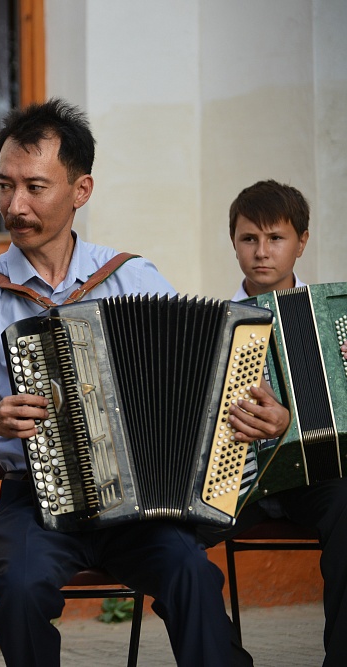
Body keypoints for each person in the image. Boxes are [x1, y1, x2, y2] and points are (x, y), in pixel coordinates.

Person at [0, 98, 289, 667]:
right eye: (4, 185)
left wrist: (268, 417)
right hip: (34, 503)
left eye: (35, 187)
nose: (15, 204)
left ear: (81, 190)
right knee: (16, 589)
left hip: (142, 505)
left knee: (190, 572)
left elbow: (211, 386)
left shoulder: (132, 276)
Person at [208, 179, 347, 667]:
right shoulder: (214, 323)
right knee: (170, 540)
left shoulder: (331, 314)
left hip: (315, 477)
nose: (261, 252)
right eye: (249, 239)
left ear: (301, 242)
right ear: (234, 243)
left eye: (276, 238)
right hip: (237, 479)